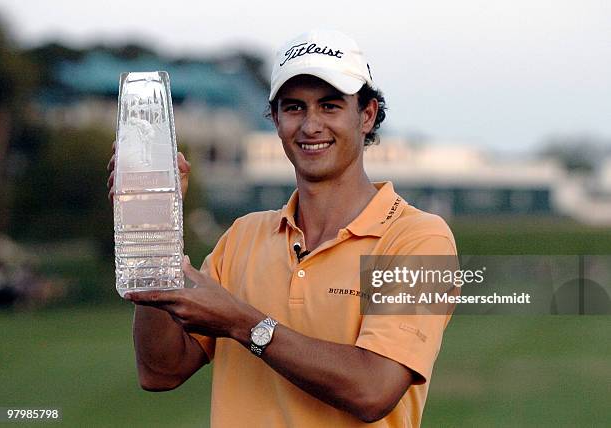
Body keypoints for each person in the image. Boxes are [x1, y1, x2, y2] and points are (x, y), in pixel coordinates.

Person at [107, 29, 457, 427]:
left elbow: (373, 390)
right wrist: (155, 225)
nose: (310, 125)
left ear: (367, 115)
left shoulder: (420, 238)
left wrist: (244, 323)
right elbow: (160, 371)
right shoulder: (242, 236)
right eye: (294, 108)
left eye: (329, 106)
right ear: (275, 119)